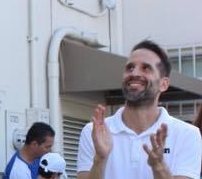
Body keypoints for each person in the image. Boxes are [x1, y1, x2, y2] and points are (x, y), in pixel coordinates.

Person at [77, 39, 202, 179]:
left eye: (146, 68)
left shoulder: (187, 134)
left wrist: (158, 166)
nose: (134, 73)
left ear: (163, 84)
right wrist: (99, 159)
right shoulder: (94, 132)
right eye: (130, 67)